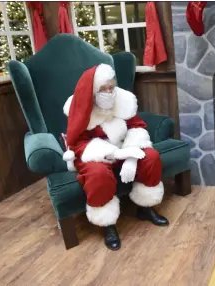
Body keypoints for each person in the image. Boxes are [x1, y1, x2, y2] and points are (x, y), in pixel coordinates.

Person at [62, 63, 169, 251]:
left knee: (151, 156)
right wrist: (116, 154)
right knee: (98, 173)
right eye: (104, 89)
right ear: (93, 92)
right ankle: (107, 224)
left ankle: (145, 207)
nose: (109, 92)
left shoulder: (123, 102)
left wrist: (131, 156)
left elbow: (137, 127)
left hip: (124, 149)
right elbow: (77, 144)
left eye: (111, 87)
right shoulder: (80, 108)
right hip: (94, 155)